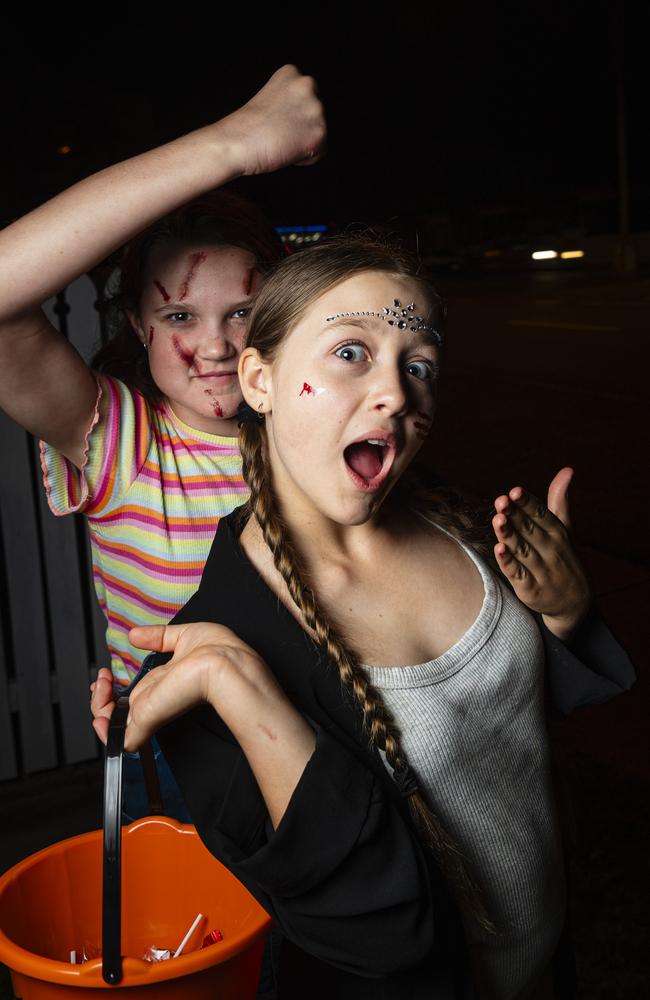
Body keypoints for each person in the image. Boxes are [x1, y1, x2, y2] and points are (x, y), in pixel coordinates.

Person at [92, 235, 635, 999]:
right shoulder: (207, 670)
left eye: (419, 367)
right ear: (260, 377)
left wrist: (565, 613)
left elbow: (503, 725)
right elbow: (374, 937)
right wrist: (243, 688)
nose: (397, 393)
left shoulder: (462, 526)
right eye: (351, 352)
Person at [0, 66, 325, 822]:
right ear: (139, 327)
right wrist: (231, 144)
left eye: (242, 312)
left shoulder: (314, 434)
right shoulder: (121, 441)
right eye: (179, 316)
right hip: (189, 757)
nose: (214, 345)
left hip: (323, 742)